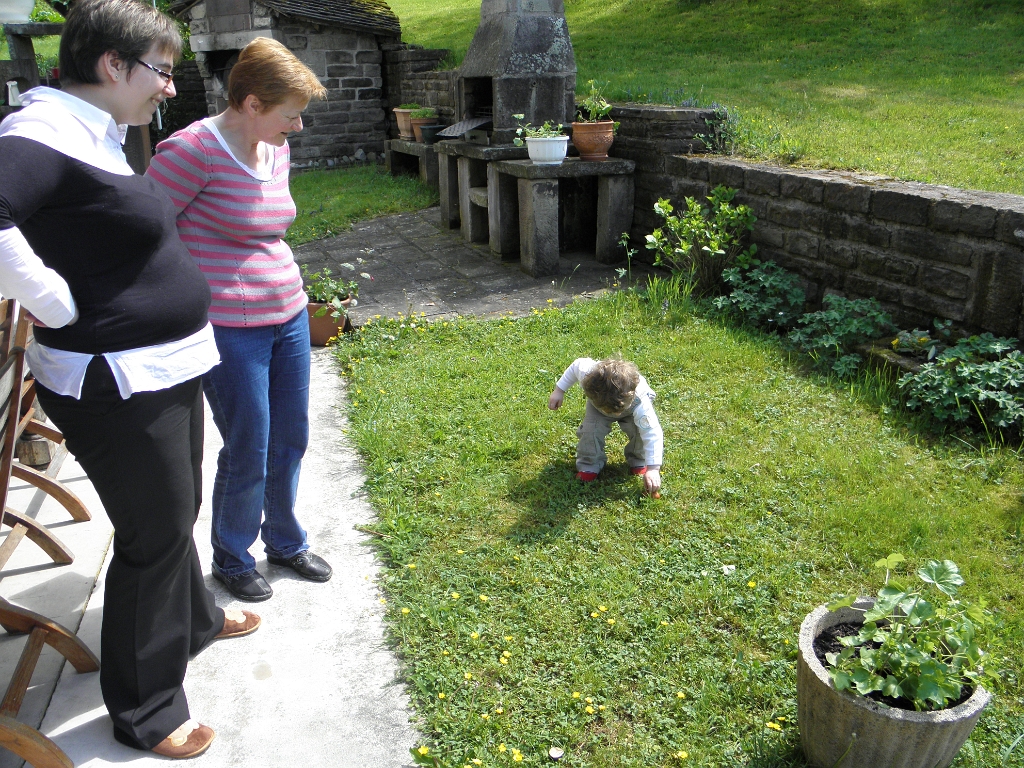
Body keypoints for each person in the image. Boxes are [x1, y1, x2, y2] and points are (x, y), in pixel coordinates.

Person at [0, 0, 258, 758]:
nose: (170, 87)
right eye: (162, 71)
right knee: (154, 532)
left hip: (161, 366)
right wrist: (52, 302)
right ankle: (147, 709)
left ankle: (194, 621)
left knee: (178, 510)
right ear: (113, 65)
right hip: (114, 380)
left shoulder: (97, 133)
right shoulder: (40, 132)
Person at [146, 37, 332, 602]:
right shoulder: (191, 151)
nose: (297, 126)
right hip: (228, 326)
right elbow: (147, 229)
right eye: (290, 115)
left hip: (289, 312)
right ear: (252, 104)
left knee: (291, 436)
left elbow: (267, 226)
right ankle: (232, 555)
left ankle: (285, 541)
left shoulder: (275, 148)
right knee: (249, 444)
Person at [548, 358, 663, 497]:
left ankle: (639, 458)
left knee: (639, 432)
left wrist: (653, 468)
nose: (613, 414)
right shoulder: (588, 372)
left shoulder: (641, 402)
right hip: (598, 407)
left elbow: (652, 433)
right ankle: (589, 464)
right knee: (590, 431)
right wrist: (559, 390)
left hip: (631, 408)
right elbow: (576, 365)